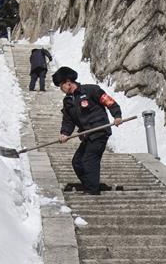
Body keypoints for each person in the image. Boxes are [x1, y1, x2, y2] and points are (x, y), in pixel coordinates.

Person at [52, 66, 122, 196]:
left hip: (99, 131)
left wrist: (117, 116)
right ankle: (91, 185)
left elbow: (109, 102)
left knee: (89, 160)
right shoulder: (67, 101)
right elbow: (68, 121)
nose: (61, 89)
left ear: (68, 82)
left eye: (61, 85)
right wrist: (64, 133)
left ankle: (92, 191)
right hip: (87, 135)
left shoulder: (91, 90)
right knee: (77, 162)